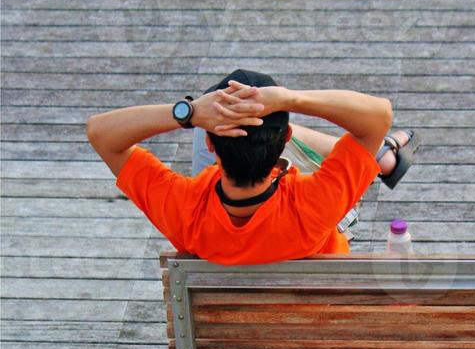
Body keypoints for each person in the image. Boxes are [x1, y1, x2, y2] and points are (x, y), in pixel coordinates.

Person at [86, 69, 418, 265]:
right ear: (284, 138)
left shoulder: (185, 211)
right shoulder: (314, 204)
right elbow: (378, 115)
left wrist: (188, 113)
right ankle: (381, 157)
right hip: (315, 332)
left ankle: (380, 158)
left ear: (210, 144)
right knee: (355, 153)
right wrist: (290, 99)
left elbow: (100, 133)